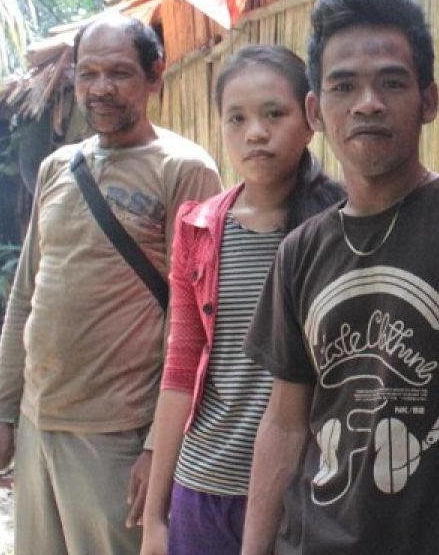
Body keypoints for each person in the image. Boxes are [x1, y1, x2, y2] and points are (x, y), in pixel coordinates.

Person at [240, 0, 439, 554]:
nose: (368, 103)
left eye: (391, 82)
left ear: (428, 101)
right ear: (315, 110)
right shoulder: (300, 252)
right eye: (344, 86)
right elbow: (284, 422)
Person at [0, 12, 223, 555]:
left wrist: (160, 448)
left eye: (118, 73)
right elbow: (27, 293)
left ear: (155, 75)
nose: (101, 89)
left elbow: (198, 321)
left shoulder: (184, 169)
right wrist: (1, 410)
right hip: (40, 421)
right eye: (88, 75)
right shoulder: (57, 167)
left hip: (118, 433)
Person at [139, 46, 344, 555]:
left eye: (274, 114)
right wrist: (153, 517)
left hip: (306, 491)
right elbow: (180, 369)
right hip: (205, 487)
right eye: (238, 118)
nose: (256, 132)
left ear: (310, 118)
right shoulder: (199, 228)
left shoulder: (341, 226)